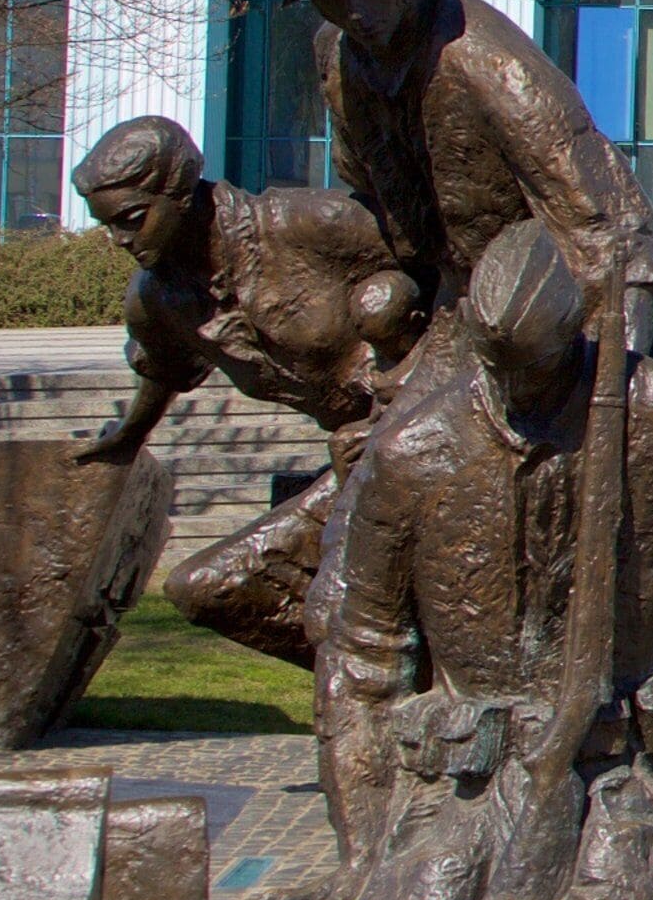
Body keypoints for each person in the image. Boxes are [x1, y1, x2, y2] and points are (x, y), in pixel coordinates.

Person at [311, 223, 653, 900]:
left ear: (580, 328)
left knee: (622, 875)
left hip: (622, 775)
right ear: (467, 333)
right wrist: (358, 854)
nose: (518, 389)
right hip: (457, 785)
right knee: (435, 888)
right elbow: (363, 659)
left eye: (537, 364)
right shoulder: (413, 449)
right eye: (499, 365)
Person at [68, 114, 424, 665]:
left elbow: (452, 276)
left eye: (132, 220)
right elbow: (162, 369)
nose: (120, 240)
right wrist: (129, 434)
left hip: (429, 429)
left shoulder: (312, 224)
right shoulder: (157, 302)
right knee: (209, 588)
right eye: (108, 226)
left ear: (179, 192)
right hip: (356, 456)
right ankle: (390, 680)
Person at [271, 0, 653, 348]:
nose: (354, 10)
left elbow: (612, 229)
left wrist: (617, 373)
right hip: (432, 300)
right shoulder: (337, 54)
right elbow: (365, 186)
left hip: (527, 328)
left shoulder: (487, 61)